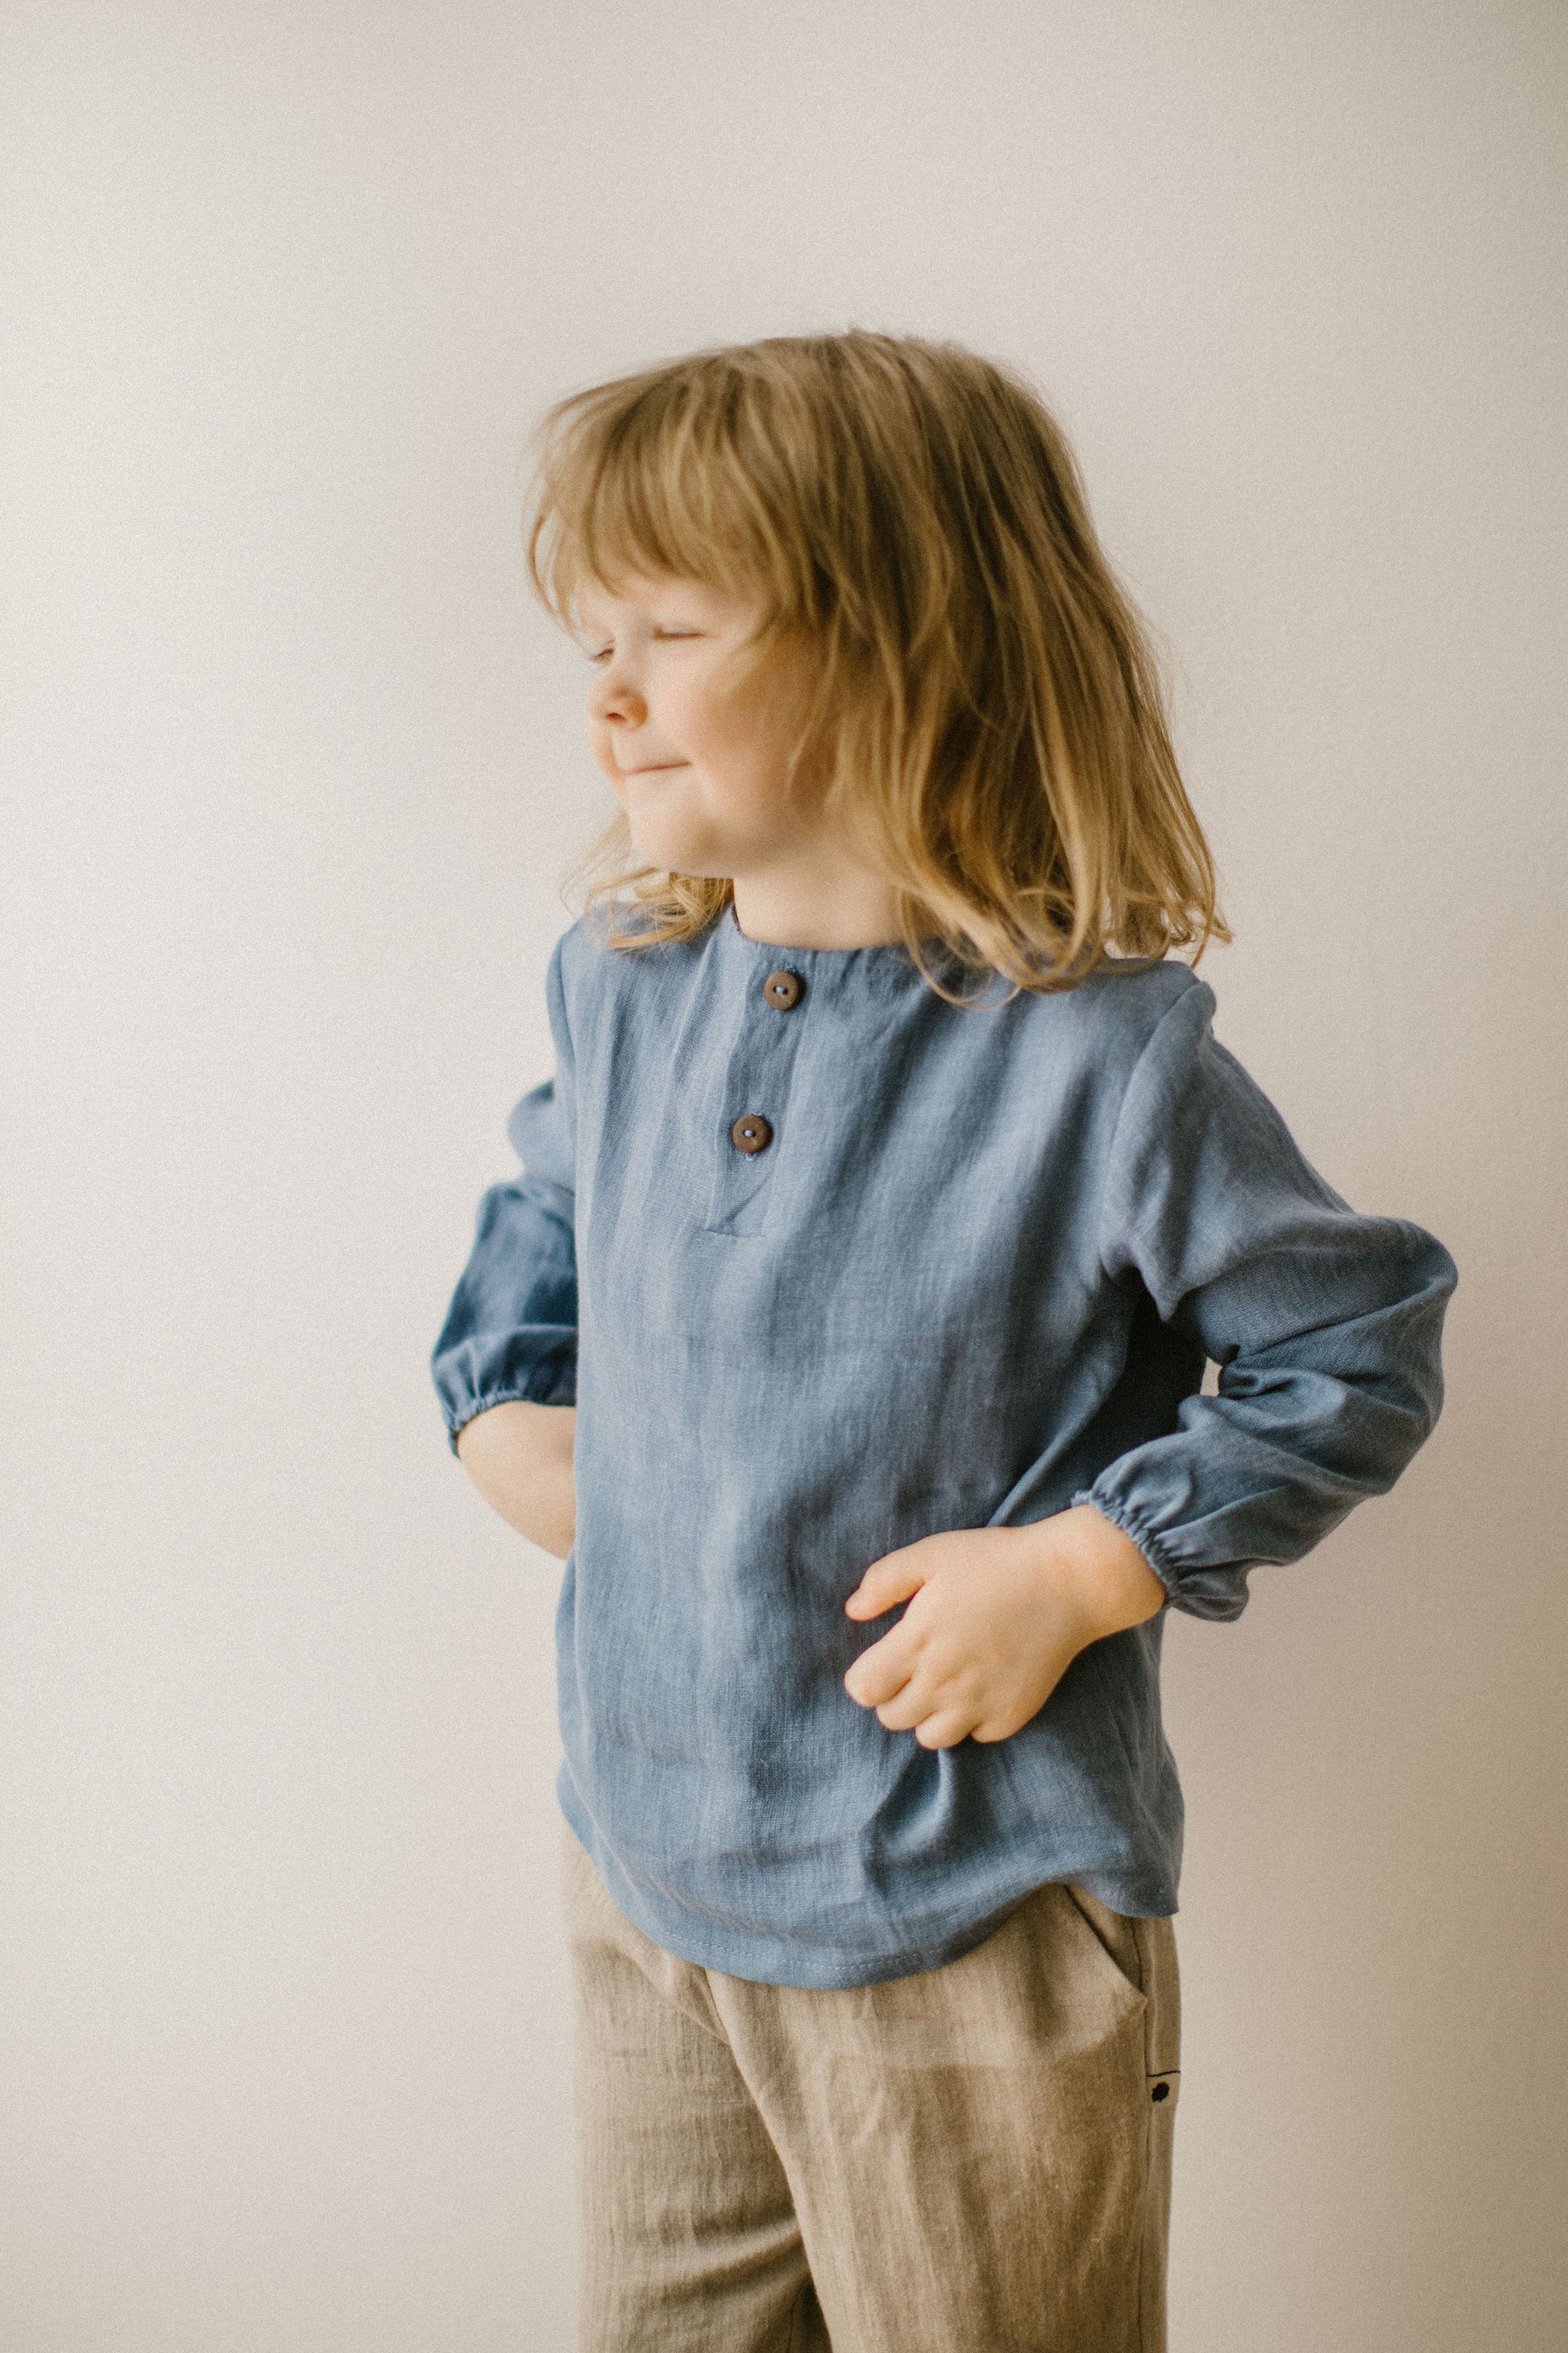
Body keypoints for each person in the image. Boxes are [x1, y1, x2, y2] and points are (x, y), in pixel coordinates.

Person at [429, 331, 1456, 2353]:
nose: (607, 691)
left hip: (961, 1912)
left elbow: (1355, 1341)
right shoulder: (624, 980)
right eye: (591, 638)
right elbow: (541, 1234)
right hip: (646, 1860)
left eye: (670, 626)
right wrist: (509, 1420)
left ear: (894, 650)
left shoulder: (1096, 1053)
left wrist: (1085, 1566)